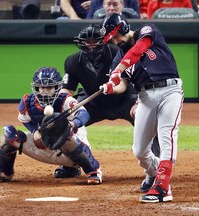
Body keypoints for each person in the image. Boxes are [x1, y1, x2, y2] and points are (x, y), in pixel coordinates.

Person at [53, 24, 160, 180]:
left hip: (125, 100)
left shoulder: (117, 52)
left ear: (103, 41)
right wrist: (61, 110)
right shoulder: (73, 61)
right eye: (87, 42)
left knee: (147, 117)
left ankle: (159, 164)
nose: (91, 45)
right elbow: (67, 91)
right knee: (66, 121)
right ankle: (70, 165)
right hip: (93, 103)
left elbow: (132, 80)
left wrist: (135, 100)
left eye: (94, 41)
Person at [100, 13, 184, 203]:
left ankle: (163, 188)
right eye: (110, 39)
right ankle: (154, 173)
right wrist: (110, 87)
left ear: (123, 27)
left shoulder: (148, 31)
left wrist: (117, 70)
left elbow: (138, 50)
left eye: (115, 35)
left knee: (167, 137)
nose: (114, 40)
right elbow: (122, 84)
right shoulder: (119, 57)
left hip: (170, 90)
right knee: (139, 151)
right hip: (145, 96)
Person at [0, 66, 102, 185]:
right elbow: (25, 120)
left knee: (62, 134)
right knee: (8, 135)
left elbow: (84, 114)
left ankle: (93, 170)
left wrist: (73, 124)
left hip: (73, 150)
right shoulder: (28, 102)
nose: (44, 91)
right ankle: (4, 173)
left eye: (49, 87)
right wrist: (35, 131)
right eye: (42, 87)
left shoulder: (65, 100)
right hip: (44, 146)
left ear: (57, 88)